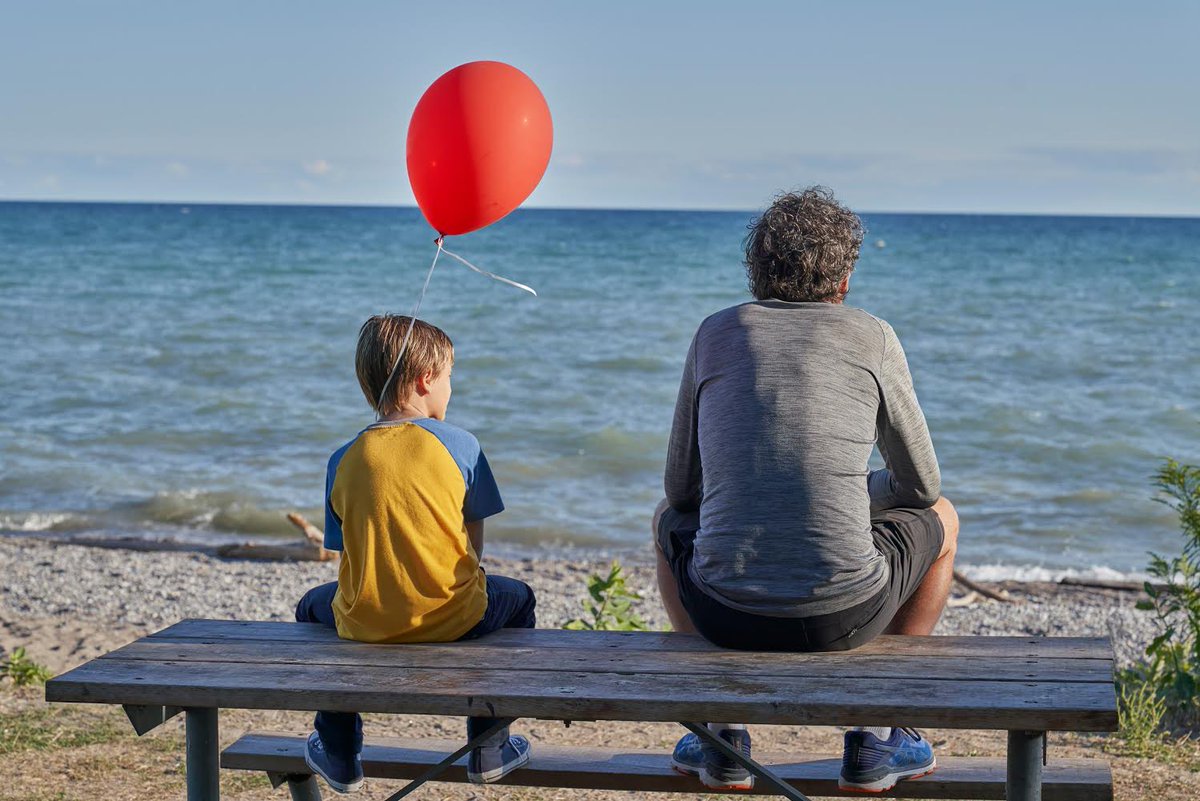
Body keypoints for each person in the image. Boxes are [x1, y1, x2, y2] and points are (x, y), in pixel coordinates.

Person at [655, 187, 959, 793]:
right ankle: (880, 735)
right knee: (944, 519)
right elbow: (922, 487)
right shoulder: (871, 335)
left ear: (756, 271)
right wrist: (858, 491)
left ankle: (720, 733)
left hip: (725, 614)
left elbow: (681, 490)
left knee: (665, 517)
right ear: (843, 277)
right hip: (844, 616)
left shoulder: (715, 333)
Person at [295, 315, 536, 794]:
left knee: (309, 607)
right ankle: (488, 745)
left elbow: (345, 552)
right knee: (521, 598)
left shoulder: (342, 457)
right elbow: (474, 545)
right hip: (456, 618)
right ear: (426, 380)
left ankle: (340, 752)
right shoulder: (462, 445)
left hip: (366, 623)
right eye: (449, 377)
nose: (450, 388)